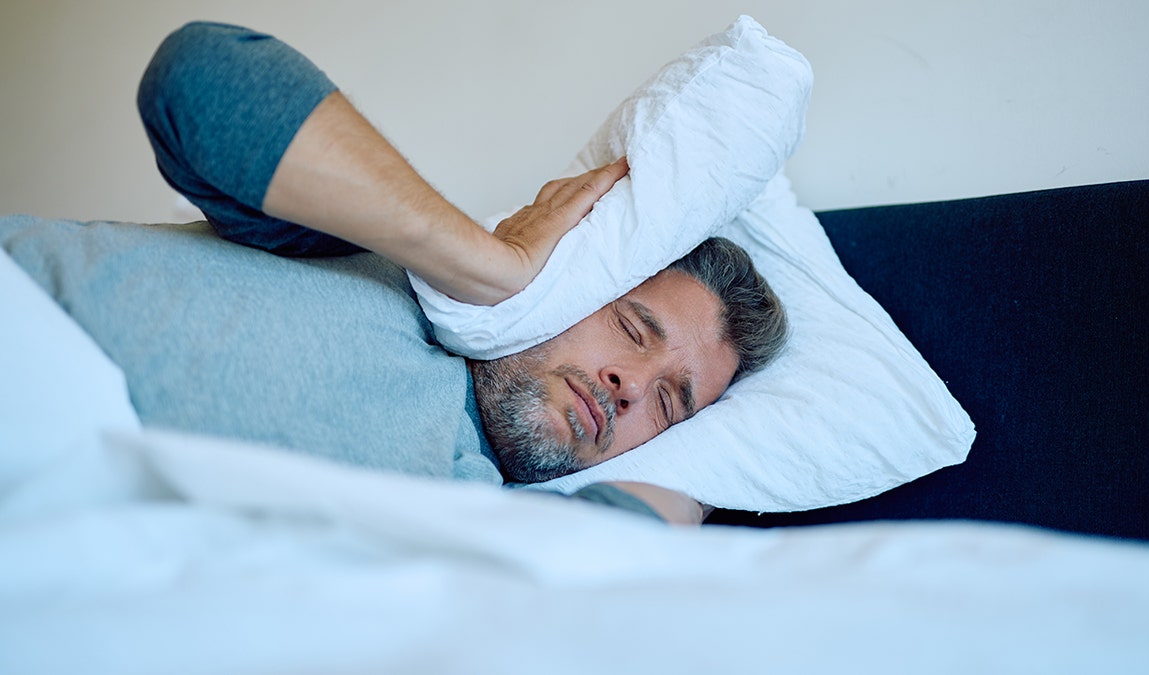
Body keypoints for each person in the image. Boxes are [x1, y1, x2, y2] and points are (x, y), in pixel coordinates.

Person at [135, 22, 787, 524]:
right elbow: (194, 75)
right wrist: (491, 265)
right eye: (631, 328)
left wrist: (703, 479)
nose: (630, 386)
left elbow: (631, 549)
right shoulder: (364, 256)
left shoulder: (487, 529)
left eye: (670, 405)